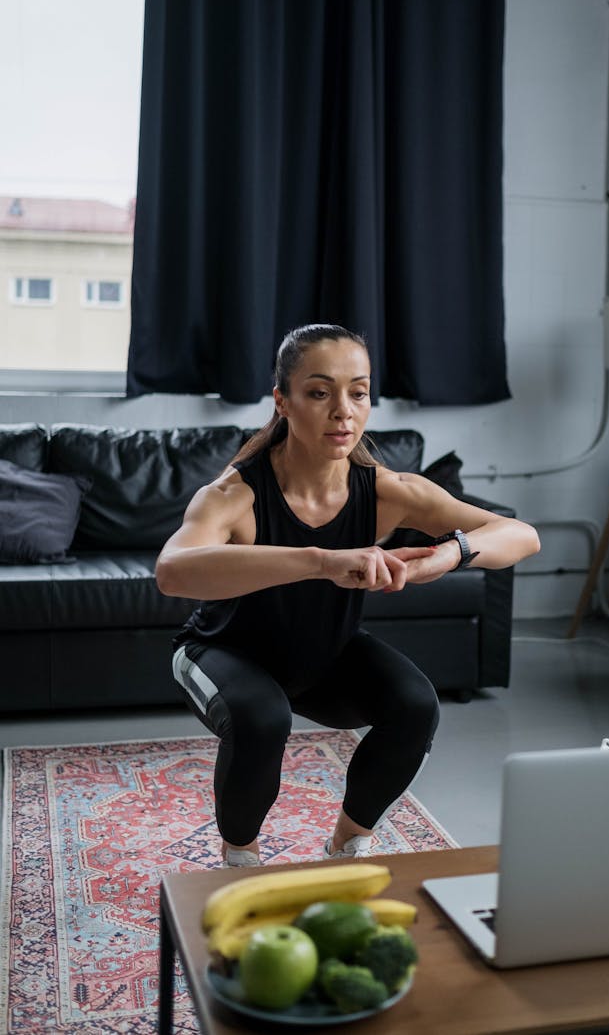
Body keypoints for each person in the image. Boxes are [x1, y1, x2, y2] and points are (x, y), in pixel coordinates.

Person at [156, 324, 540, 867]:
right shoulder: (234, 493)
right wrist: (322, 562)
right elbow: (173, 572)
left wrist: (448, 555)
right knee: (263, 719)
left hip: (323, 653)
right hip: (221, 652)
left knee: (414, 706)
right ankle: (239, 858)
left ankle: (346, 844)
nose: (344, 411)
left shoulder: (386, 490)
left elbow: (521, 534)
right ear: (283, 402)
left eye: (358, 392)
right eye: (319, 392)